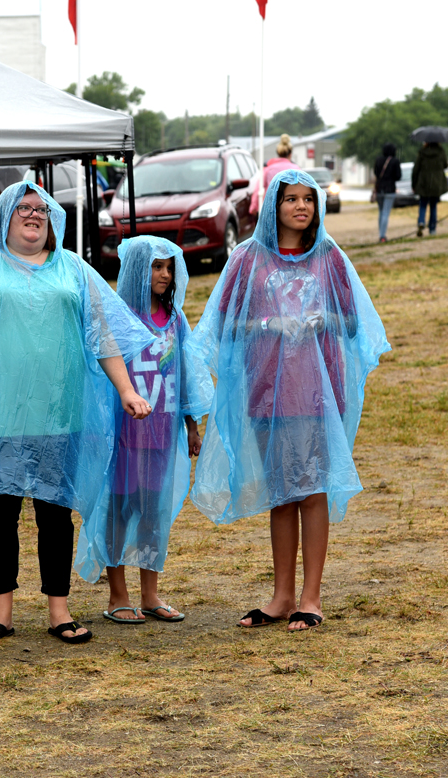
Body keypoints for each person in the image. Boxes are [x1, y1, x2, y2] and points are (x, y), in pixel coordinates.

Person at [0, 181, 154, 645]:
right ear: (4, 216)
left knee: (55, 511)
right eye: (23, 208)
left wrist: (127, 389)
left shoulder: (72, 269)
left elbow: (101, 336)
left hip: (58, 409)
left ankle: (59, 610)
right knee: (0, 511)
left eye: (42, 209)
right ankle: (0, 611)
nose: (33, 215)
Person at [187, 169, 389, 631]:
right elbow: (222, 327)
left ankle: (311, 596)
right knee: (282, 492)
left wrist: (324, 319)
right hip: (267, 393)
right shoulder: (248, 260)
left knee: (313, 488)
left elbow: (354, 325)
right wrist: (267, 325)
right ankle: (280, 596)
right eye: (291, 199)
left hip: (317, 393)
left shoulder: (329, 258)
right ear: (273, 207)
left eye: (308, 200)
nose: (301, 207)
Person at [74, 237, 213, 624]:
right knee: (121, 508)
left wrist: (191, 424)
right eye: (156, 267)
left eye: (169, 267)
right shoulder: (117, 318)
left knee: (153, 508)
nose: (165, 275)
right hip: (123, 435)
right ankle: (118, 593)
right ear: (137, 269)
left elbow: (185, 376)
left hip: (163, 433)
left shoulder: (175, 320)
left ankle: (150, 593)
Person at [250, 134, 300, 216]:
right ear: (290, 153)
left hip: (271, 208)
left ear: (278, 153)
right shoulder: (296, 169)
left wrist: (254, 207)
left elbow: (258, 188)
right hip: (290, 209)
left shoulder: (268, 169)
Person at [412, 142, 448, 237]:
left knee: (423, 204)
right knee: (433, 206)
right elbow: (446, 165)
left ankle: (421, 222)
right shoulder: (440, 151)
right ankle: (432, 229)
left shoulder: (422, 152)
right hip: (436, 184)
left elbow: (416, 169)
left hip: (424, 183)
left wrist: (414, 184)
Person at [373, 143, 401, 243]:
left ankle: (381, 234)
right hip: (390, 190)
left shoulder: (378, 160)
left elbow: (376, 173)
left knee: (381, 212)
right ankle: (382, 236)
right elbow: (398, 176)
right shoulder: (395, 161)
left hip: (379, 189)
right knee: (385, 213)